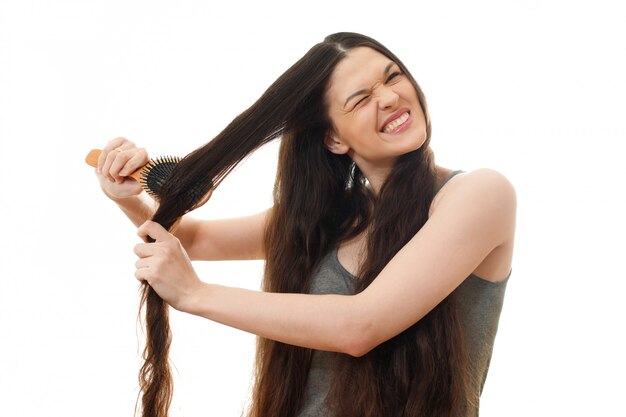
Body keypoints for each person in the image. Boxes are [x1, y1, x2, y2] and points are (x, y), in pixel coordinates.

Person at [94, 32, 516, 417]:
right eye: (361, 98)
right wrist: (129, 196)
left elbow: (361, 325)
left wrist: (195, 294)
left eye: (393, 76)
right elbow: (194, 239)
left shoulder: (480, 195)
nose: (388, 97)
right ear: (334, 139)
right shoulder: (335, 215)